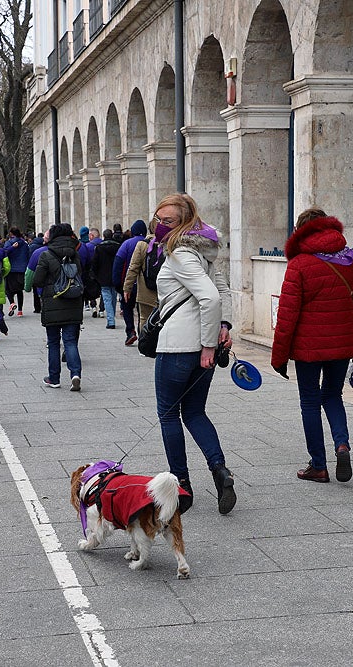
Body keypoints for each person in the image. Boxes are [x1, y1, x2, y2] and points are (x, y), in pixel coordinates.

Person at [271, 208, 353, 484]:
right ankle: (342, 445)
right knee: (332, 395)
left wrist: (279, 356)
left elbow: (287, 315)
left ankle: (318, 465)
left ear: (301, 231)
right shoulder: (351, 260)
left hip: (308, 348)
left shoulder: (300, 264)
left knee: (310, 402)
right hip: (343, 343)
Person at [151, 193, 235, 515]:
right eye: (158, 219)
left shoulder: (180, 253)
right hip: (202, 346)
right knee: (195, 412)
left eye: (167, 221)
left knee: (169, 414)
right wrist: (223, 326)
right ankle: (220, 470)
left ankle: (181, 487)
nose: (160, 226)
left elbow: (211, 298)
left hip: (179, 348)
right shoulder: (206, 252)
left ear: (184, 222)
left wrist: (208, 345)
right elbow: (222, 292)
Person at [32, 223, 84, 391]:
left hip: (53, 302)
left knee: (54, 343)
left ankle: (54, 378)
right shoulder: (75, 254)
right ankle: (75, 374)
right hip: (73, 302)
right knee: (70, 342)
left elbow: (37, 281)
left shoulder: (46, 255)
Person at [112, 219, 149, 345]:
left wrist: (118, 285)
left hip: (129, 284)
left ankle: (130, 331)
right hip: (145, 286)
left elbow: (118, 264)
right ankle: (142, 333)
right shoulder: (149, 243)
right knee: (142, 311)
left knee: (127, 308)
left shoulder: (126, 244)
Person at [123, 227, 159, 328]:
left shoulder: (142, 244)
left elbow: (133, 268)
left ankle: (145, 342)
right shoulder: (168, 243)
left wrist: (127, 288)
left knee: (144, 319)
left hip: (145, 291)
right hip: (164, 291)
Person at [91, 229, 121, 329]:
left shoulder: (99, 248)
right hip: (115, 275)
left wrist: (95, 275)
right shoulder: (117, 246)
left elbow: (95, 263)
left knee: (107, 299)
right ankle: (111, 318)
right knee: (113, 297)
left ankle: (111, 320)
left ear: (103, 236)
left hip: (103, 277)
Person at [3, 228, 30, 316]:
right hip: (22, 269)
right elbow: (28, 255)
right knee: (19, 290)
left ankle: (12, 303)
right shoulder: (25, 244)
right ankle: (20, 311)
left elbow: (4, 253)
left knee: (8, 289)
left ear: (11, 234)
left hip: (11, 269)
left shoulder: (9, 243)